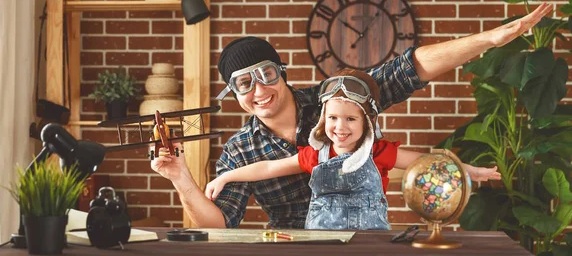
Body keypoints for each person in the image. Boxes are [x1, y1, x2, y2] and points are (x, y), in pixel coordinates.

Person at [151, 3, 551, 229]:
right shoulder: (242, 149)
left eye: (267, 74)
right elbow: (218, 224)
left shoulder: (336, 100)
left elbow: (409, 69)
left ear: (282, 72)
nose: (259, 90)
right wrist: (182, 178)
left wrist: (491, 39)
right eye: (243, 83)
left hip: (366, 239)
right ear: (233, 93)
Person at [203, 69, 501, 230]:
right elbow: (267, 167)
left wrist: (468, 169)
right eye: (332, 118)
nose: (340, 127)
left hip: (369, 246)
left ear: (366, 122)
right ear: (322, 119)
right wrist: (225, 177)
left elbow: (426, 163)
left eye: (350, 119)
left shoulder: (377, 152)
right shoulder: (314, 154)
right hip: (318, 245)